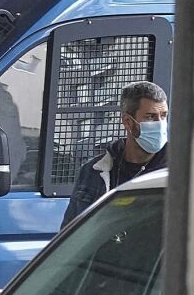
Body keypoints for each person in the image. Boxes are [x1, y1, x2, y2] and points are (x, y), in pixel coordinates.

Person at [63, 79, 169, 227]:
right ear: (128, 122)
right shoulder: (93, 171)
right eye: (150, 117)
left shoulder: (177, 173)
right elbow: (70, 231)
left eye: (163, 116)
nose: (160, 124)